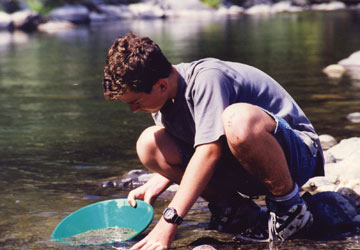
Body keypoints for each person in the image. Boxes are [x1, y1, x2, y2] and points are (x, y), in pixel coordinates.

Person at [102, 32, 324, 249]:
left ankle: (290, 208)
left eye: (136, 102)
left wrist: (168, 222)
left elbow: (210, 151)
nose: (133, 110)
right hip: (247, 164)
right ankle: (234, 209)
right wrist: (162, 177)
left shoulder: (207, 78)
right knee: (150, 144)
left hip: (297, 156)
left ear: (161, 85)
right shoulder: (163, 98)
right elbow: (198, 144)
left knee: (237, 119)